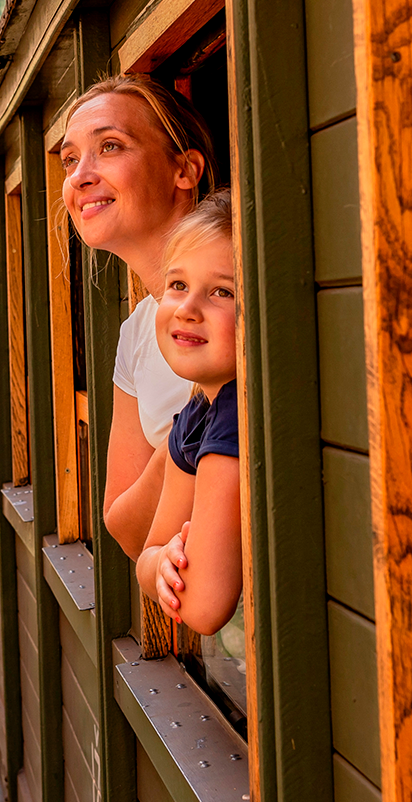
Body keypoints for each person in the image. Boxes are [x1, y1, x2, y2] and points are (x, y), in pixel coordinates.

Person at [55, 75, 215, 559]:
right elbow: (123, 527)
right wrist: (191, 432)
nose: (81, 174)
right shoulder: (137, 331)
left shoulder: (236, 300)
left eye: (109, 146)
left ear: (183, 170)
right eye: (69, 159)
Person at [136, 191, 242, 635]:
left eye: (222, 291)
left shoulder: (237, 415)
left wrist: (163, 562)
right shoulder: (200, 409)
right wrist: (162, 560)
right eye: (177, 285)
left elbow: (200, 608)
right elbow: (147, 555)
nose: (187, 309)